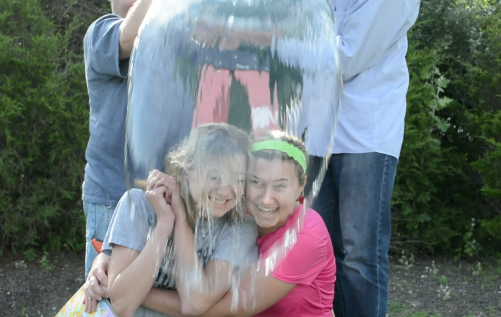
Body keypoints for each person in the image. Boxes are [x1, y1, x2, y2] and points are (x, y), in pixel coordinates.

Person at [85, 130, 336, 317]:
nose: (266, 198)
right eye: (255, 182)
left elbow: (203, 307)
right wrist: (106, 258)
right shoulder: (240, 205)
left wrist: (122, 287)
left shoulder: (304, 235)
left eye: (280, 185)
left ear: (301, 186)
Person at [306, 1, 421, 316]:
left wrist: (285, 49)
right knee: (320, 247)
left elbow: (346, 56)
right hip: (318, 130)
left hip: (366, 130)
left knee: (361, 256)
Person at [87, 123, 259, 317]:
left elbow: (195, 303)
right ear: (187, 170)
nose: (225, 191)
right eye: (214, 176)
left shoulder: (239, 228)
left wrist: (181, 218)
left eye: (237, 180)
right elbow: (122, 305)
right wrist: (164, 225)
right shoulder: (139, 206)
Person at [82, 0, 153, 278]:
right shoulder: (100, 32)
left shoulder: (168, 36)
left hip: (156, 199)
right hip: (111, 197)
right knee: (105, 297)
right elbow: (130, 36)